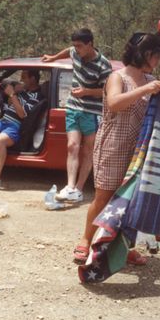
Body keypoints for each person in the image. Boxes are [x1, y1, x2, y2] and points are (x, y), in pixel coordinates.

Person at [73, 32, 160, 264]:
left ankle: (122, 248)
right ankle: (86, 240)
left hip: (139, 150)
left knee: (131, 201)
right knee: (103, 197)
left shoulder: (150, 80)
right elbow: (114, 103)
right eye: (157, 55)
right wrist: (145, 90)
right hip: (114, 145)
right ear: (146, 54)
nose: (158, 60)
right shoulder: (117, 77)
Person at [41, 28, 112, 202]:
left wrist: (87, 91)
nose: (76, 49)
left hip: (92, 112)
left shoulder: (104, 65)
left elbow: (107, 91)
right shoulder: (75, 52)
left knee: (88, 151)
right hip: (72, 108)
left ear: (90, 44)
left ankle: (79, 189)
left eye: (79, 46)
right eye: (75, 45)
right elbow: (68, 51)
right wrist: (54, 58)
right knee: (72, 146)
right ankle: (70, 186)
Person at [0, 70, 43, 190]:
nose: (21, 80)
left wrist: (12, 94)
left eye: (24, 77)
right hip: (3, 121)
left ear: (33, 79)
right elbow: (10, 102)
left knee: (0, 141)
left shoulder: (36, 96)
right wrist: (16, 91)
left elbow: (22, 114)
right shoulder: (24, 92)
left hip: (15, 126)